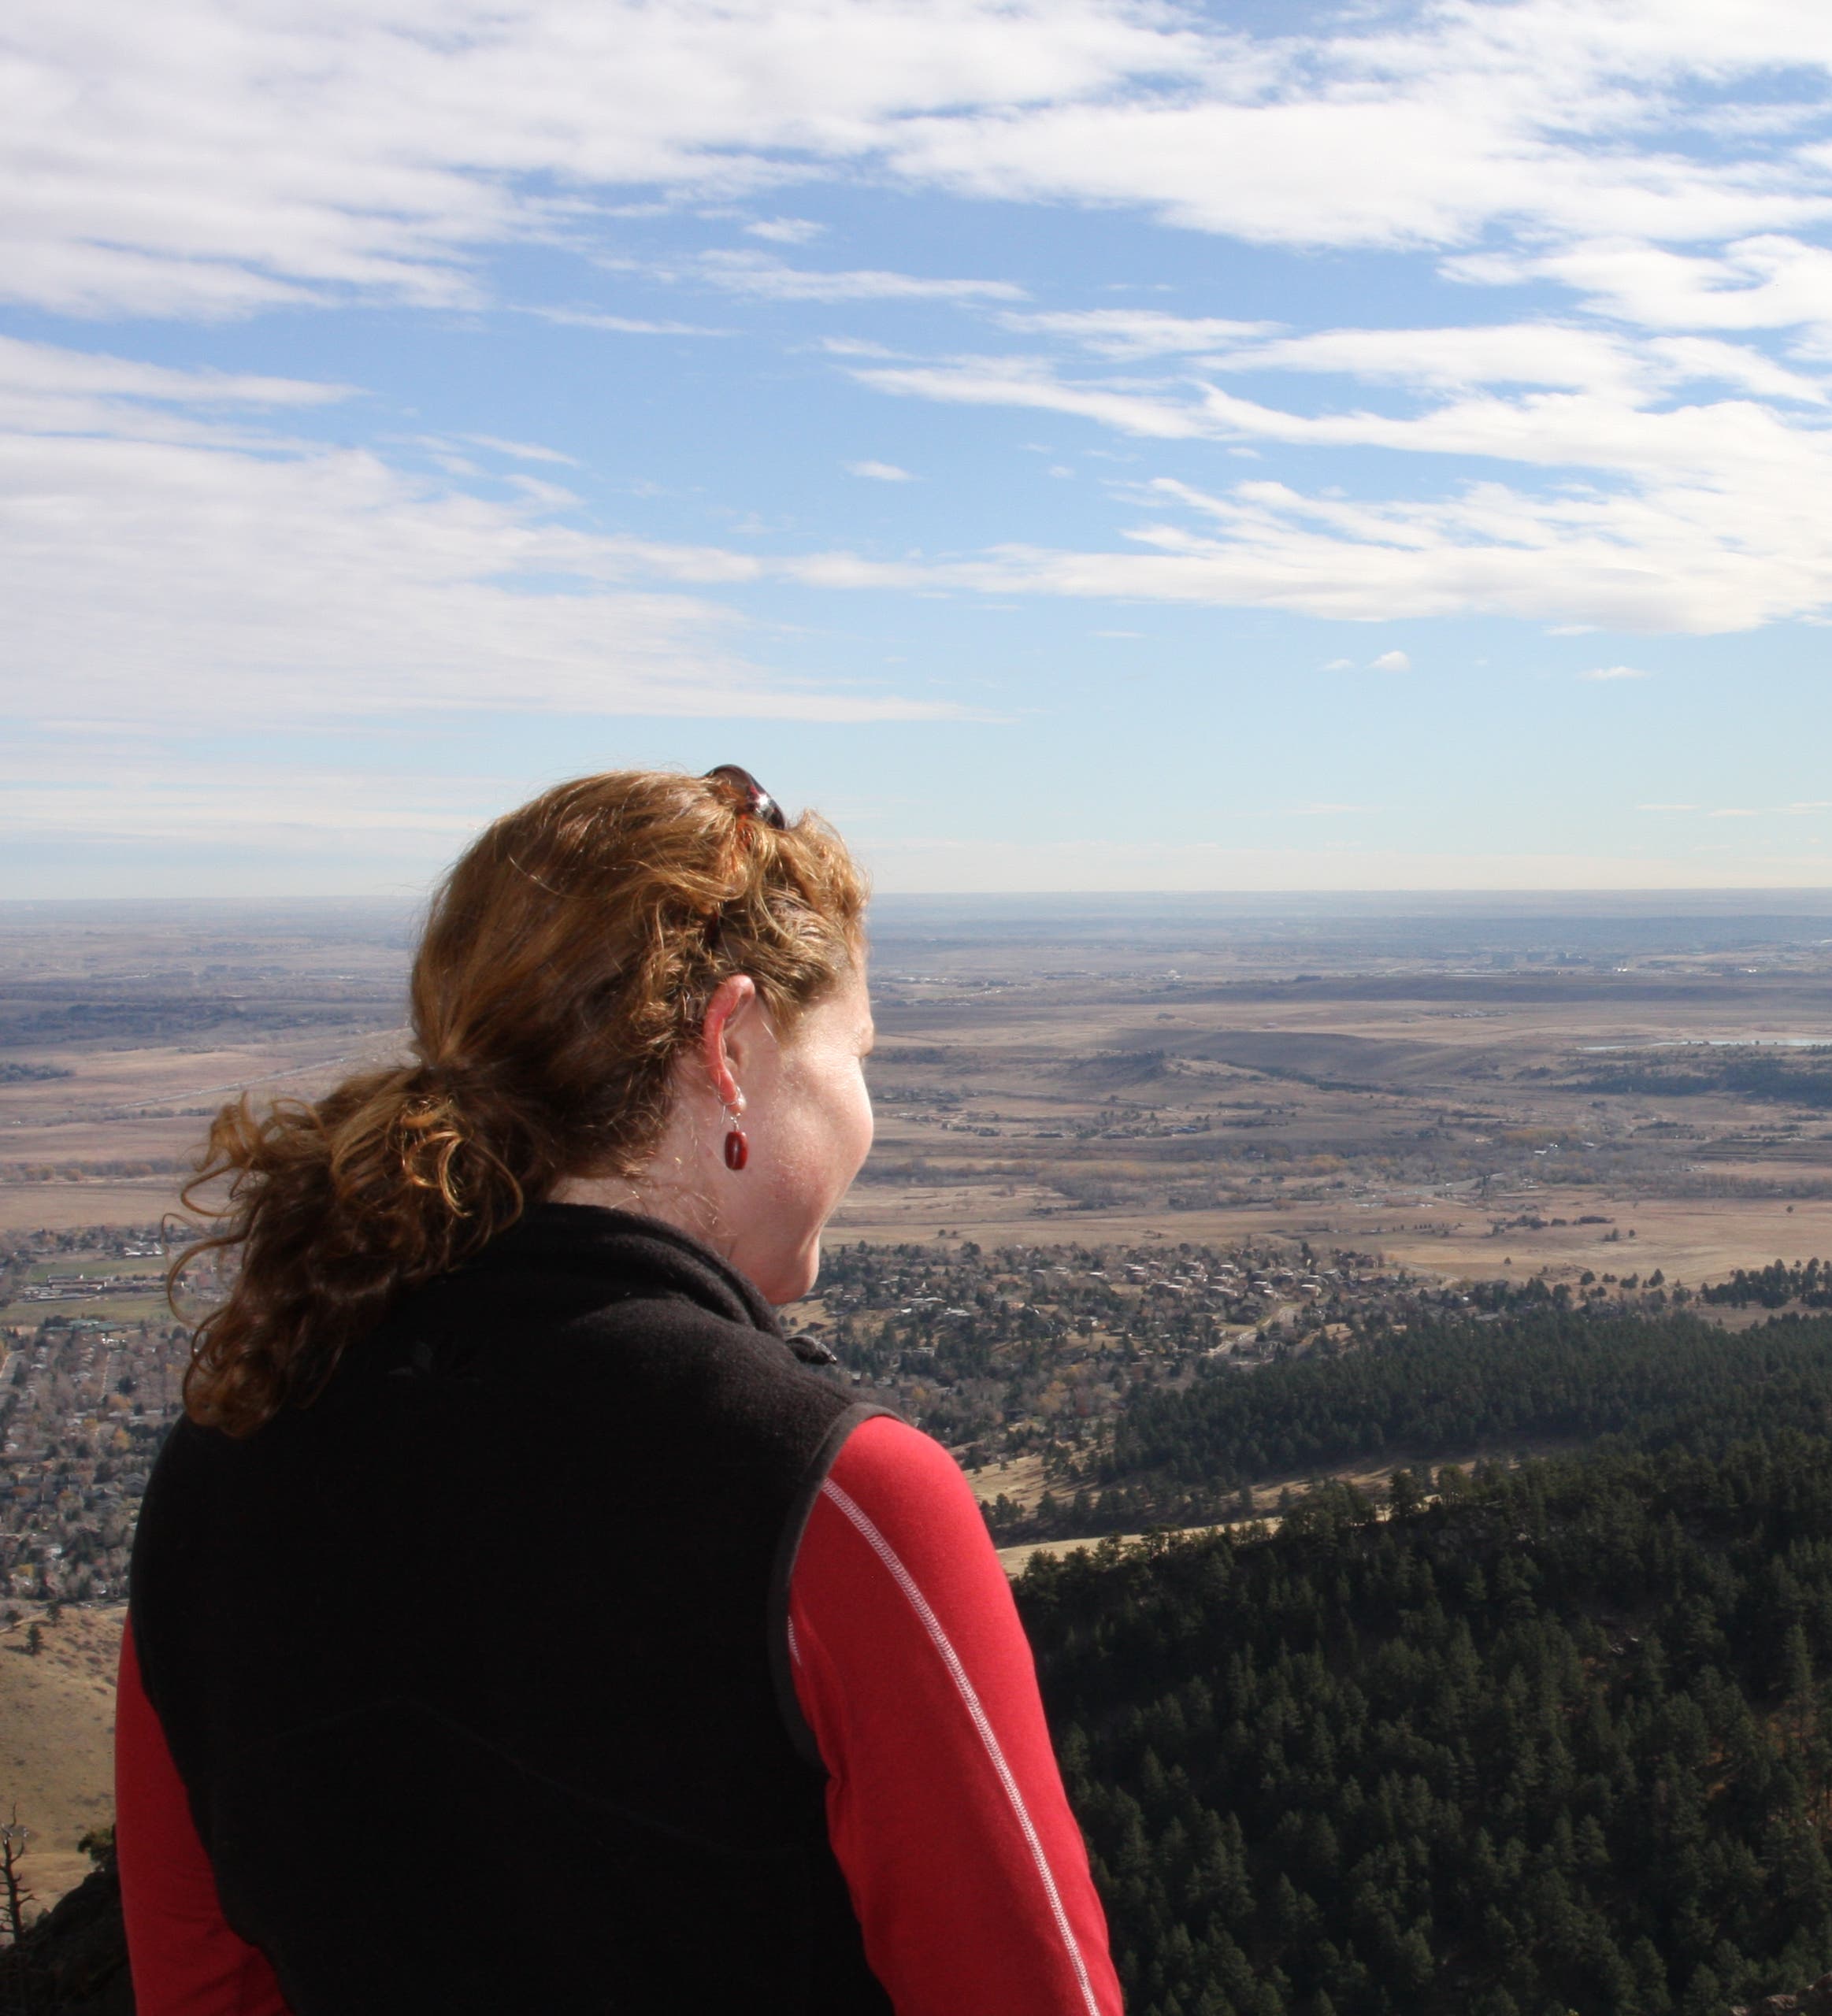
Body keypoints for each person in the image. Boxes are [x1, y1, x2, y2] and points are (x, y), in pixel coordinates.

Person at [115, 768, 1121, 2016]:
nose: (870, 1107)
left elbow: (200, 1985)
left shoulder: (225, 1461)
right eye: (856, 1054)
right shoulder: (843, 1503)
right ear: (737, 1046)